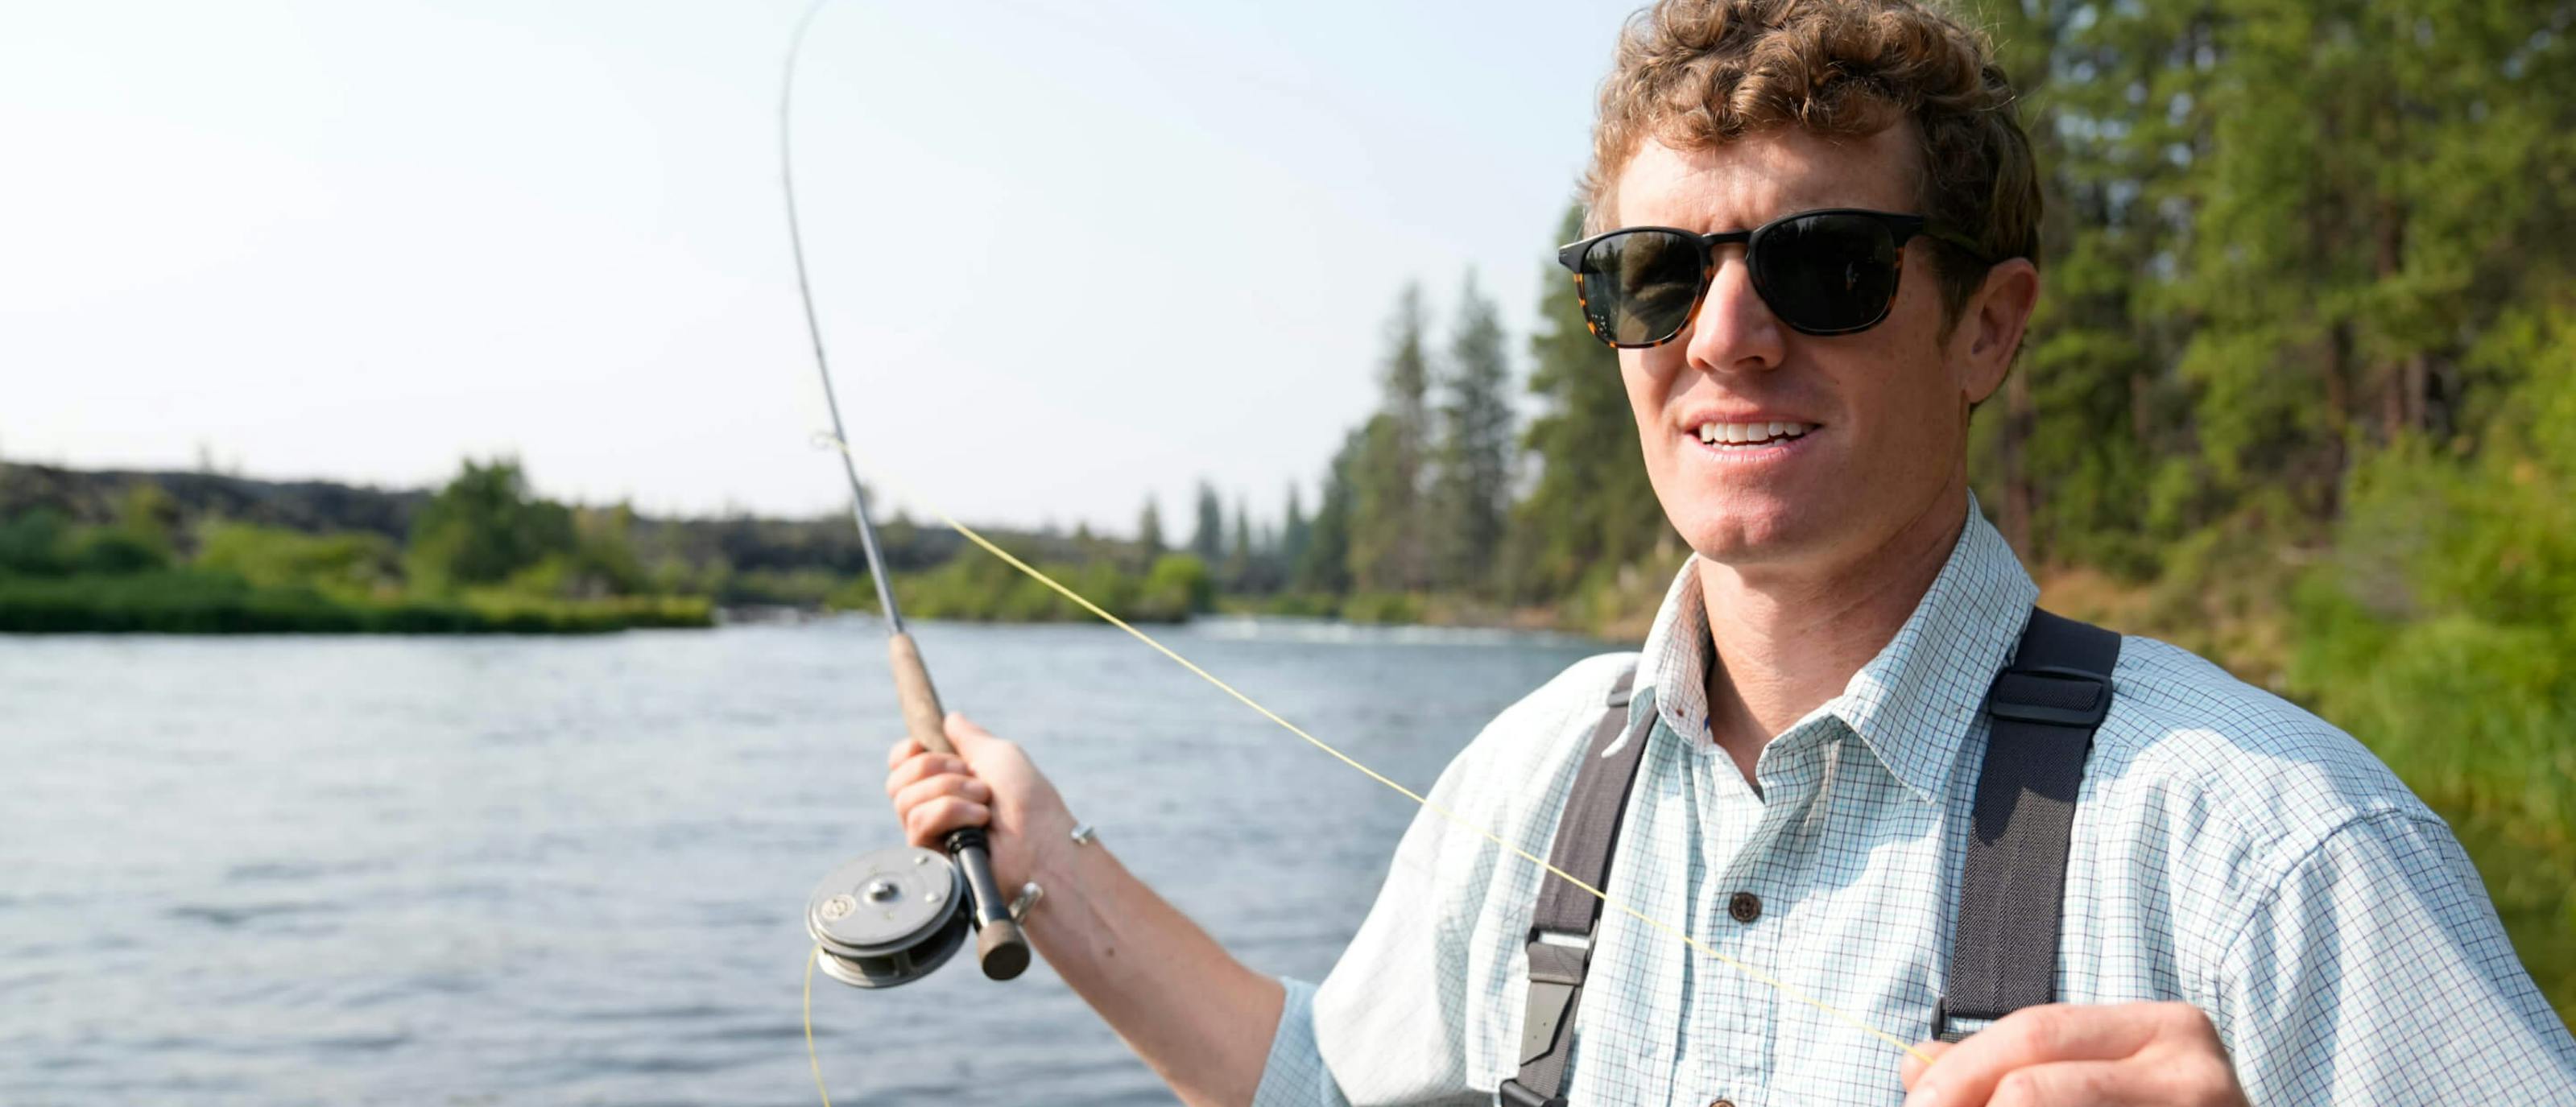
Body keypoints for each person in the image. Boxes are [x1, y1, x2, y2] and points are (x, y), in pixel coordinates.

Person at [883, 0, 2576, 1103]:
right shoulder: (1529, 774)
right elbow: (1327, 1081)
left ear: (1986, 329)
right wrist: (1046, 865)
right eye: (1656, 276)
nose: (1729, 337)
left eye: (1824, 264)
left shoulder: (2274, 847)